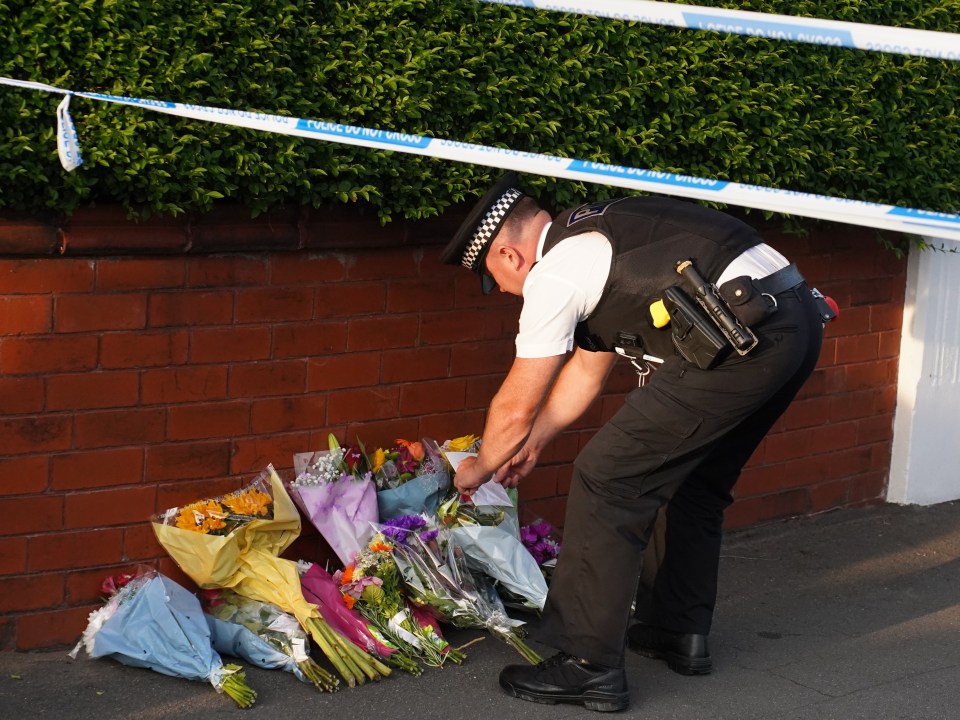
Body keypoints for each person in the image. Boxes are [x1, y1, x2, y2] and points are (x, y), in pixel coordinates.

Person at [440, 172, 826, 713]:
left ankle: (586, 664)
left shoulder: (554, 274)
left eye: (492, 279)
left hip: (742, 338)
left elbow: (515, 402)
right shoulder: (597, 238)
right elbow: (587, 369)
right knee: (693, 480)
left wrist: (477, 468)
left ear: (507, 254)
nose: (502, 292)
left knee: (607, 480)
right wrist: (534, 444)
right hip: (792, 323)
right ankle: (677, 631)